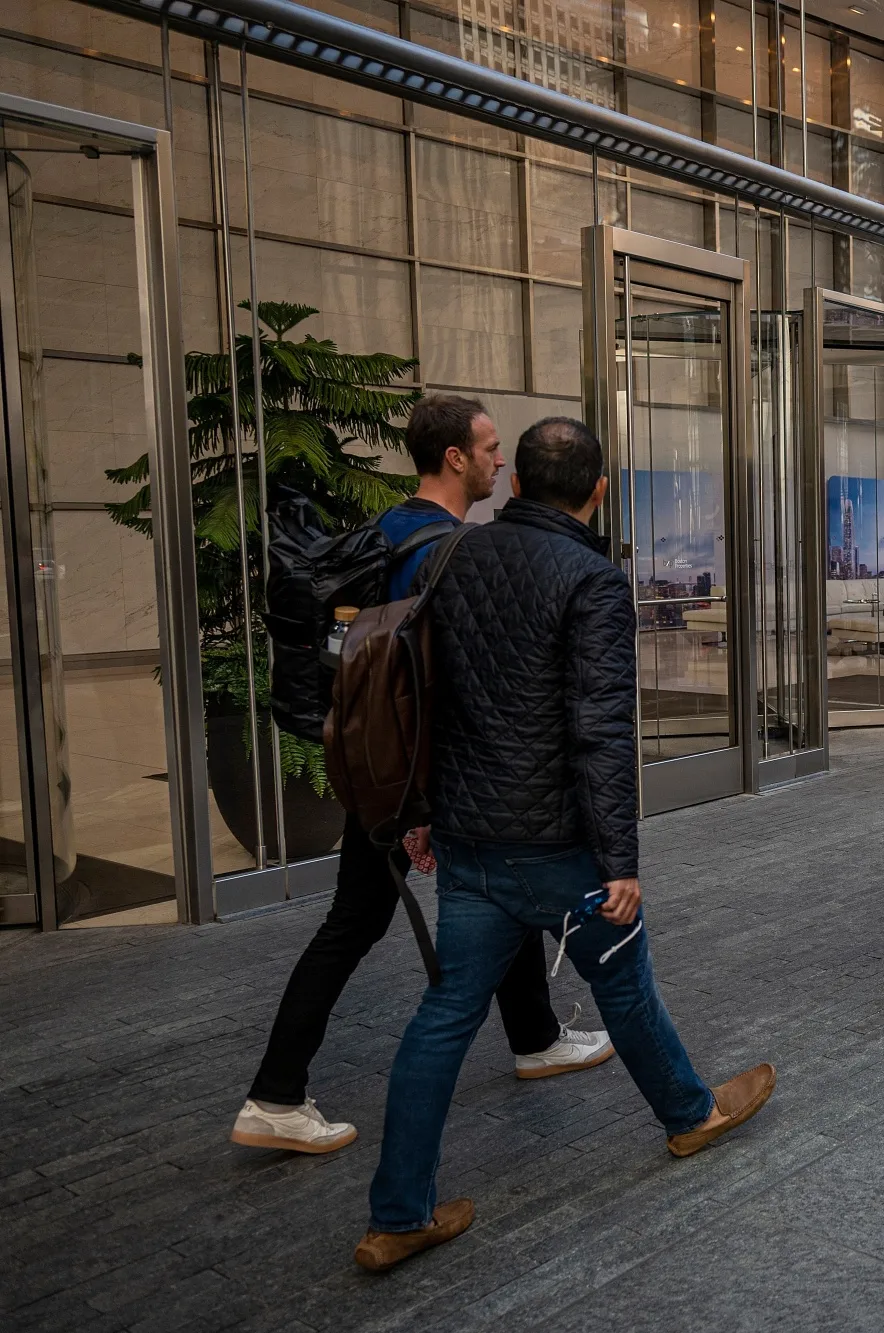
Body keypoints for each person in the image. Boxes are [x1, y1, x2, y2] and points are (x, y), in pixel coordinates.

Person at [356, 418, 774, 1272]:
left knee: (444, 1014)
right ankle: (691, 1115)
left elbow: (426, 697)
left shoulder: (452, 556)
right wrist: (621, 861)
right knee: (624, 983)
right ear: (600, 491)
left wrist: (424, 810)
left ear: (515, 485)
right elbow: (600, 728)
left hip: (470, 837)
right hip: (558, 846)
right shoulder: (592, 580)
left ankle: (397, 1215)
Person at [230, 395, 610, 1158]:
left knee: (496, 892)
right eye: (490, 447)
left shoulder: (389, 530)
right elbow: (438, 680)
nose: (500, 459)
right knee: (356, 921)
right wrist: (430, 800)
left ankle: (535, 1036)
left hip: (384, 763)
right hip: (419, 776)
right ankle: (274, 1094)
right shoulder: (445, 549)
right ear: (455, 459)